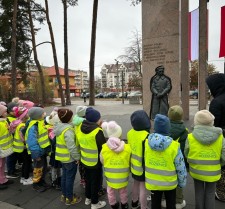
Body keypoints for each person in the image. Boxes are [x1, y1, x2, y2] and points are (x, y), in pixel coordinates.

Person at [184, 110, 225, 209]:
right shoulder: (220, 137)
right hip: (214, 171)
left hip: (196, 170)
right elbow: (223, 155)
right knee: (210, 193)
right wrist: (220, 164)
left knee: (199, 192)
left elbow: (186, 153)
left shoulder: (190, 136)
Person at [145, 114, 187, 209]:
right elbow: (180, 167)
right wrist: (182, 182)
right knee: (171, 204)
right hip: (170, 183)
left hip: (153, 182)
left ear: (155, 127)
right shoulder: (174, 146)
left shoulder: (147, 143)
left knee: (155, 204)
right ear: (168, 128)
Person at [76, 107, 106, 209]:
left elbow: (78, 143)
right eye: (99, 118)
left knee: (88, 180)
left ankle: (87, 198)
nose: (100, 119)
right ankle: (94, 203)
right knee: (95, 182)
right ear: (95, 120)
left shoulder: (80, 127)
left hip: (85, 159)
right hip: (95, 162)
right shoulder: (97, 131)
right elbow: (103, 147)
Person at [161, 105, 188, 209]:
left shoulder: (164, 128)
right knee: (179, 182)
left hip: (166, 160)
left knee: (165, 179)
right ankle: (178, 201)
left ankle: (164, 199)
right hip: (179, 161)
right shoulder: (185, 131)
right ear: (181, 116)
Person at [54, 108, 82, 205]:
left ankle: (64, 195)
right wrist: (77, 158)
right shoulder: (68, 131)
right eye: (72, 116)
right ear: (69, 118)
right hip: (69, 158)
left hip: (62, 157)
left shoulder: (59, 128)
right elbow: (72, 147)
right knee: (70, 178)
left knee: (65, 177)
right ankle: (69, 198)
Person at [100, 121, 131, 209]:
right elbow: (129, 160)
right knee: (123, 191)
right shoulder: (127, 148)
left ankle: (113, 204)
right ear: (120, 134)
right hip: (123, 176)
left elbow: (102, 160)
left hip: (110, 176)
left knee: (110, 191)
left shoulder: (104, 148)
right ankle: (124, 204)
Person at [206, 73, 225, 202]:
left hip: (222, 138)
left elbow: (213, 125)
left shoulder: (217, 102)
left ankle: (221, 193)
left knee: (223, 166)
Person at [127, 110, 151, 209]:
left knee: (135, 184)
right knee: (143, 188)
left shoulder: (130, 133)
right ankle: (144, 206)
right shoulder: (146, 136)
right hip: (143, 167)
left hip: (134, 165)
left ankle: (134, 202)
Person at [25, 107, 51, 193]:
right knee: (37, 169)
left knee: (43, 167)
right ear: (38, 116)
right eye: (43, 113)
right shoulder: (33, 127)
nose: (44, 114)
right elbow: (32, 142)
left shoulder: (39, 122)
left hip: (42, 151)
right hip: (38, 153)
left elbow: (43, 130)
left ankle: (41, 181)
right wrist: (36, 155)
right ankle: (36, 184)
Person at [10, 106, 33, 185]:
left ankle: (23, 177)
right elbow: (22, 138)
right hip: (23, 147)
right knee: (27, 162)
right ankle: (25, 178)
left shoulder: (19, 123)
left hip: (21, 147)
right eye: (27, 113)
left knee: (26, 162)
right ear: (24, 116)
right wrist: (28, 142)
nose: (28, 115)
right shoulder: (22, 125)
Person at [45, 108, 62, 190]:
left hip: (54, 152)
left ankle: (58, 179)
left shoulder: (51, 129)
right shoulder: (53, 132)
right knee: (55, 167)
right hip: (55, 152)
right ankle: (54, 181)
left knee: (57, 167)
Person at [72, 105, 87, 188]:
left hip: (76, 145)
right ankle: (85, 180)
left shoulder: (75, 119)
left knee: (80, 165)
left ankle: (82, 179)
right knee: (84, 165)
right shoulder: (83, 122)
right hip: (82, 145)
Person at [0, 104, 14, 190]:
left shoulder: (4, 121)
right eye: (5, 111)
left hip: (4, 148)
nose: (7, 113)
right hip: (1, 148)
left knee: (2, 165)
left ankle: (3, 179)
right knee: (0, 165)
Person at [6, 102, 19, 178]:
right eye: (15, 111)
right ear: (10, 111)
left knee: (14, 157)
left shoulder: (14, 118)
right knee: (11, 157)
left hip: (15, 141)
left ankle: (13, 169)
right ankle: (10, 172)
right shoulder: (9, 119)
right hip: (11, 141)